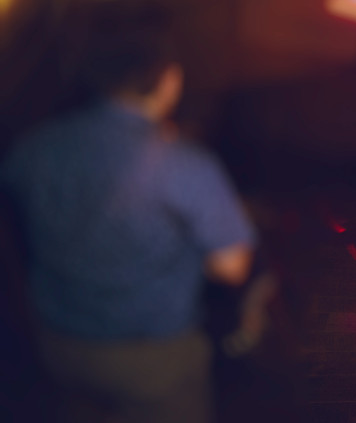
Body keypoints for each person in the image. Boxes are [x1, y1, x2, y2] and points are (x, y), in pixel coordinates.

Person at [0, 23, 254, 423]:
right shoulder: (186, 164)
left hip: (61, 346)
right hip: (152, 360)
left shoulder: (37, 145)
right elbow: (232, 266)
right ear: (169, 80)